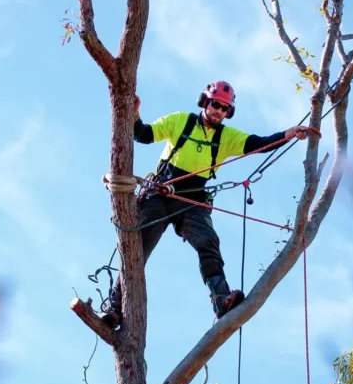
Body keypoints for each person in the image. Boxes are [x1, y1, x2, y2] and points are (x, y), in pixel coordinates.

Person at [101, 80, 309, 327]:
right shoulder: (181, 121)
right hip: (159, 194)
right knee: (137, 248)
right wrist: (134, 113)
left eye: (224, 108)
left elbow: (259, 144)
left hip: (193, 200)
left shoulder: (226, 137)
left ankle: (221, 299)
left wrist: (288, 134)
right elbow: (143, 134)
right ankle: (115, 309)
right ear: (204, 102)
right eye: (215, 105)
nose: (218, 111)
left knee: (208, 242)